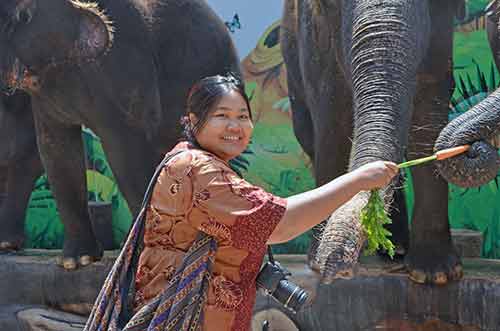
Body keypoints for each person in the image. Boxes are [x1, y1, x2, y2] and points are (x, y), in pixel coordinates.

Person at [84, 73, 399, 331]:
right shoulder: (198, 168)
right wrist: (357, 180)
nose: (235, 127)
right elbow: (279, 224)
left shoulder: (197, 161)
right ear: (194, 121)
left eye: (243, 116)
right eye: (221, 116)